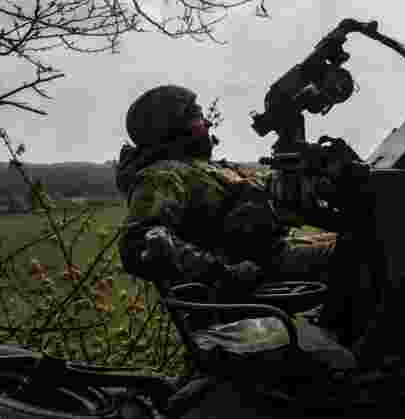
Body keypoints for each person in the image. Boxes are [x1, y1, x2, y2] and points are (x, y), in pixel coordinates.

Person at [116, 85, 357, 337]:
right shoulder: (164, 175)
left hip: (271, 260)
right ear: (172, 126)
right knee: (360, 250)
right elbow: (137, 243)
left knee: (368, 237)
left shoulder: (208, 169)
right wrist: (222, 274)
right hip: (255, 280)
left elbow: (272, 190)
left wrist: (320, 177)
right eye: (198, 116)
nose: (208, 122)